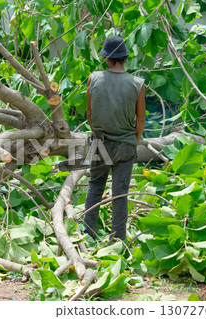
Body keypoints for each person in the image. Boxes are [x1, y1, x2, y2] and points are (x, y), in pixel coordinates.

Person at [83, 35, 146, 241]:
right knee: (120, 194)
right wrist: (132, 142)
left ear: (107, 59)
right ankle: (118, 240)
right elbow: (140, 122)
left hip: (100, 142)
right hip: (126, 144)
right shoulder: (137, 84)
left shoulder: (94, 78)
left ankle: (88, 235)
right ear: (125, 57)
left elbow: (90, 115)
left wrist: (98, 132)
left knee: (95, 186)